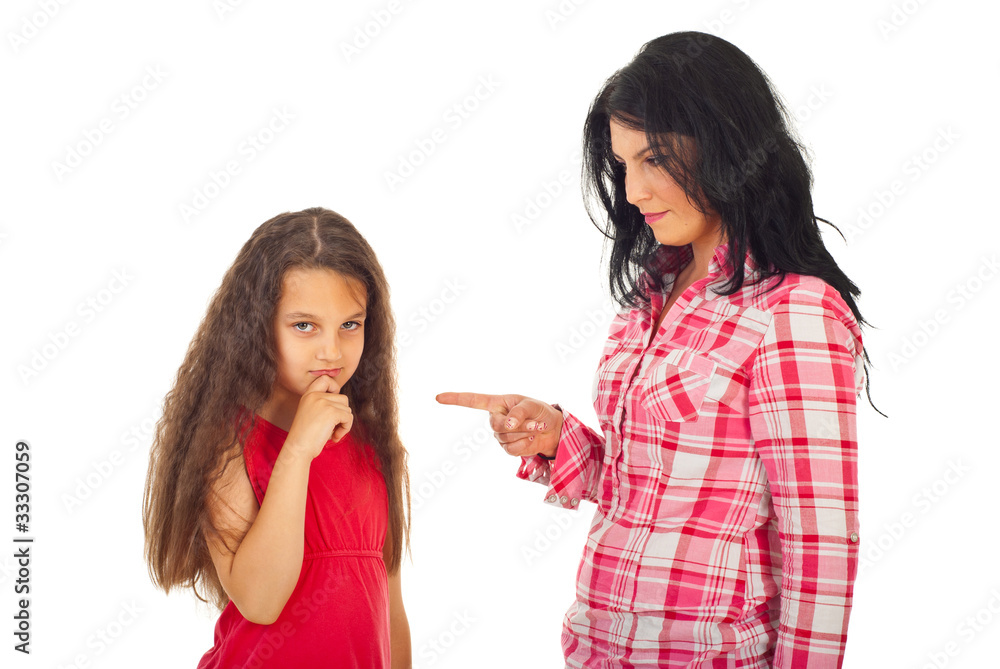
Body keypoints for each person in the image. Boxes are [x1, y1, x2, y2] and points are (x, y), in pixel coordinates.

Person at [437, 31, 880, 667]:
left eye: (655, 160)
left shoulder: (795, 314)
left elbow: (822, 547)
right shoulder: (652, 294)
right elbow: (644, 489)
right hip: (597, 650)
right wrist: (558, 437)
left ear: (726, 145)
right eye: (623, 164)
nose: (635, 190)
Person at [142, 207, 412, 668]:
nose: (331, 351)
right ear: (257, 327)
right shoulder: (225, 441)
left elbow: (388, 597)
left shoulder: (370, 438)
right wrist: (299, 449)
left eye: (351, 324)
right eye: (304, 325)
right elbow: (261, 600)